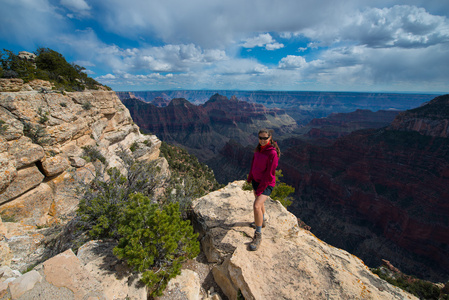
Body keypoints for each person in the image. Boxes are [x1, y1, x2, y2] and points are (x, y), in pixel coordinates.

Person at [246, 129, 280, 251]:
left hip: (266, 184)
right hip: (256, 181)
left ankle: (258, 234)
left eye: (265, 138)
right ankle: (263, 220)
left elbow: (269, 174)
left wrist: (261, 189)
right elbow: (253, 165)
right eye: (260, 137)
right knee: (259, 203)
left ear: (270, 138)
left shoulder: (272, 153)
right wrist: (250, 178)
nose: (262, 140)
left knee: (256, 206)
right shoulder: (258, 150)